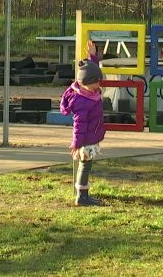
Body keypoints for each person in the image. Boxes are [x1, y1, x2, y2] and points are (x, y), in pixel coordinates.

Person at [60, 40, 106, 206]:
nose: (99, 85)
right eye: (97, 82)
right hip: (85, 140)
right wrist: (77, 144)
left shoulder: (88, 91)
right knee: (85, 166)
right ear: (88, 82)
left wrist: (92, 56)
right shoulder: (82, 101)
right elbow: (78, 126)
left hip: (91, 137)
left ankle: (84, 193)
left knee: (87, 165)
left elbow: (90, 70)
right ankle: (82, 196)